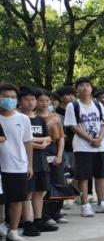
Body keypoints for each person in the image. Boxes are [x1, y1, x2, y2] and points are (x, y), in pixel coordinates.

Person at [63, 77, 104, 216]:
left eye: (87, 85)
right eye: (81, 86)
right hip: (82, 147)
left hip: (100, 147)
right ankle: (85, 205)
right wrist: (90, 139)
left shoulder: (98, 105)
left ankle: (101, 203)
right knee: (84, 177)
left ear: (91, 88)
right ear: (77, 89)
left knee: (100, 176)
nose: (85, 88)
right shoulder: (73, 106)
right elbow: (73, 126)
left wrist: (100, 138)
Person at [0, 83, 35, 241]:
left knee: (17, 199)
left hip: (17, 165)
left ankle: (13, 231)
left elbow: (28, 142)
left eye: (13, 97)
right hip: (1, 166)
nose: (9, 100)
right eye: (5, 97)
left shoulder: (23, 118)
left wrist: (29, 165)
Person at [22, 88, 57, 236]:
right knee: (27, 193)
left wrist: (39, 142)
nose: (31, 102)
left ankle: (38, 220)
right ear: (20, 101)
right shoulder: (20, 118)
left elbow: (48, 138)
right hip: (26, 160)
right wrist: (37, 143)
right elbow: (22, 140)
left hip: (41, 160)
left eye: (33, 99)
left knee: (40, 191)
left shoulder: (40, 119)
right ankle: (27, 223)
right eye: (27, 99)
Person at [35, 89, 67, 226]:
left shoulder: (55, 117)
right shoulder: (33, 118)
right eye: (40, 100)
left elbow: (61, 138)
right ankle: (45, 214)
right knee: (44, 184)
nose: (44, 103)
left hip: (54, 149)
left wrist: (59, 155)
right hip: (40, 151)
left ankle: (56, 212)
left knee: (59, 182)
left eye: (47, 100)